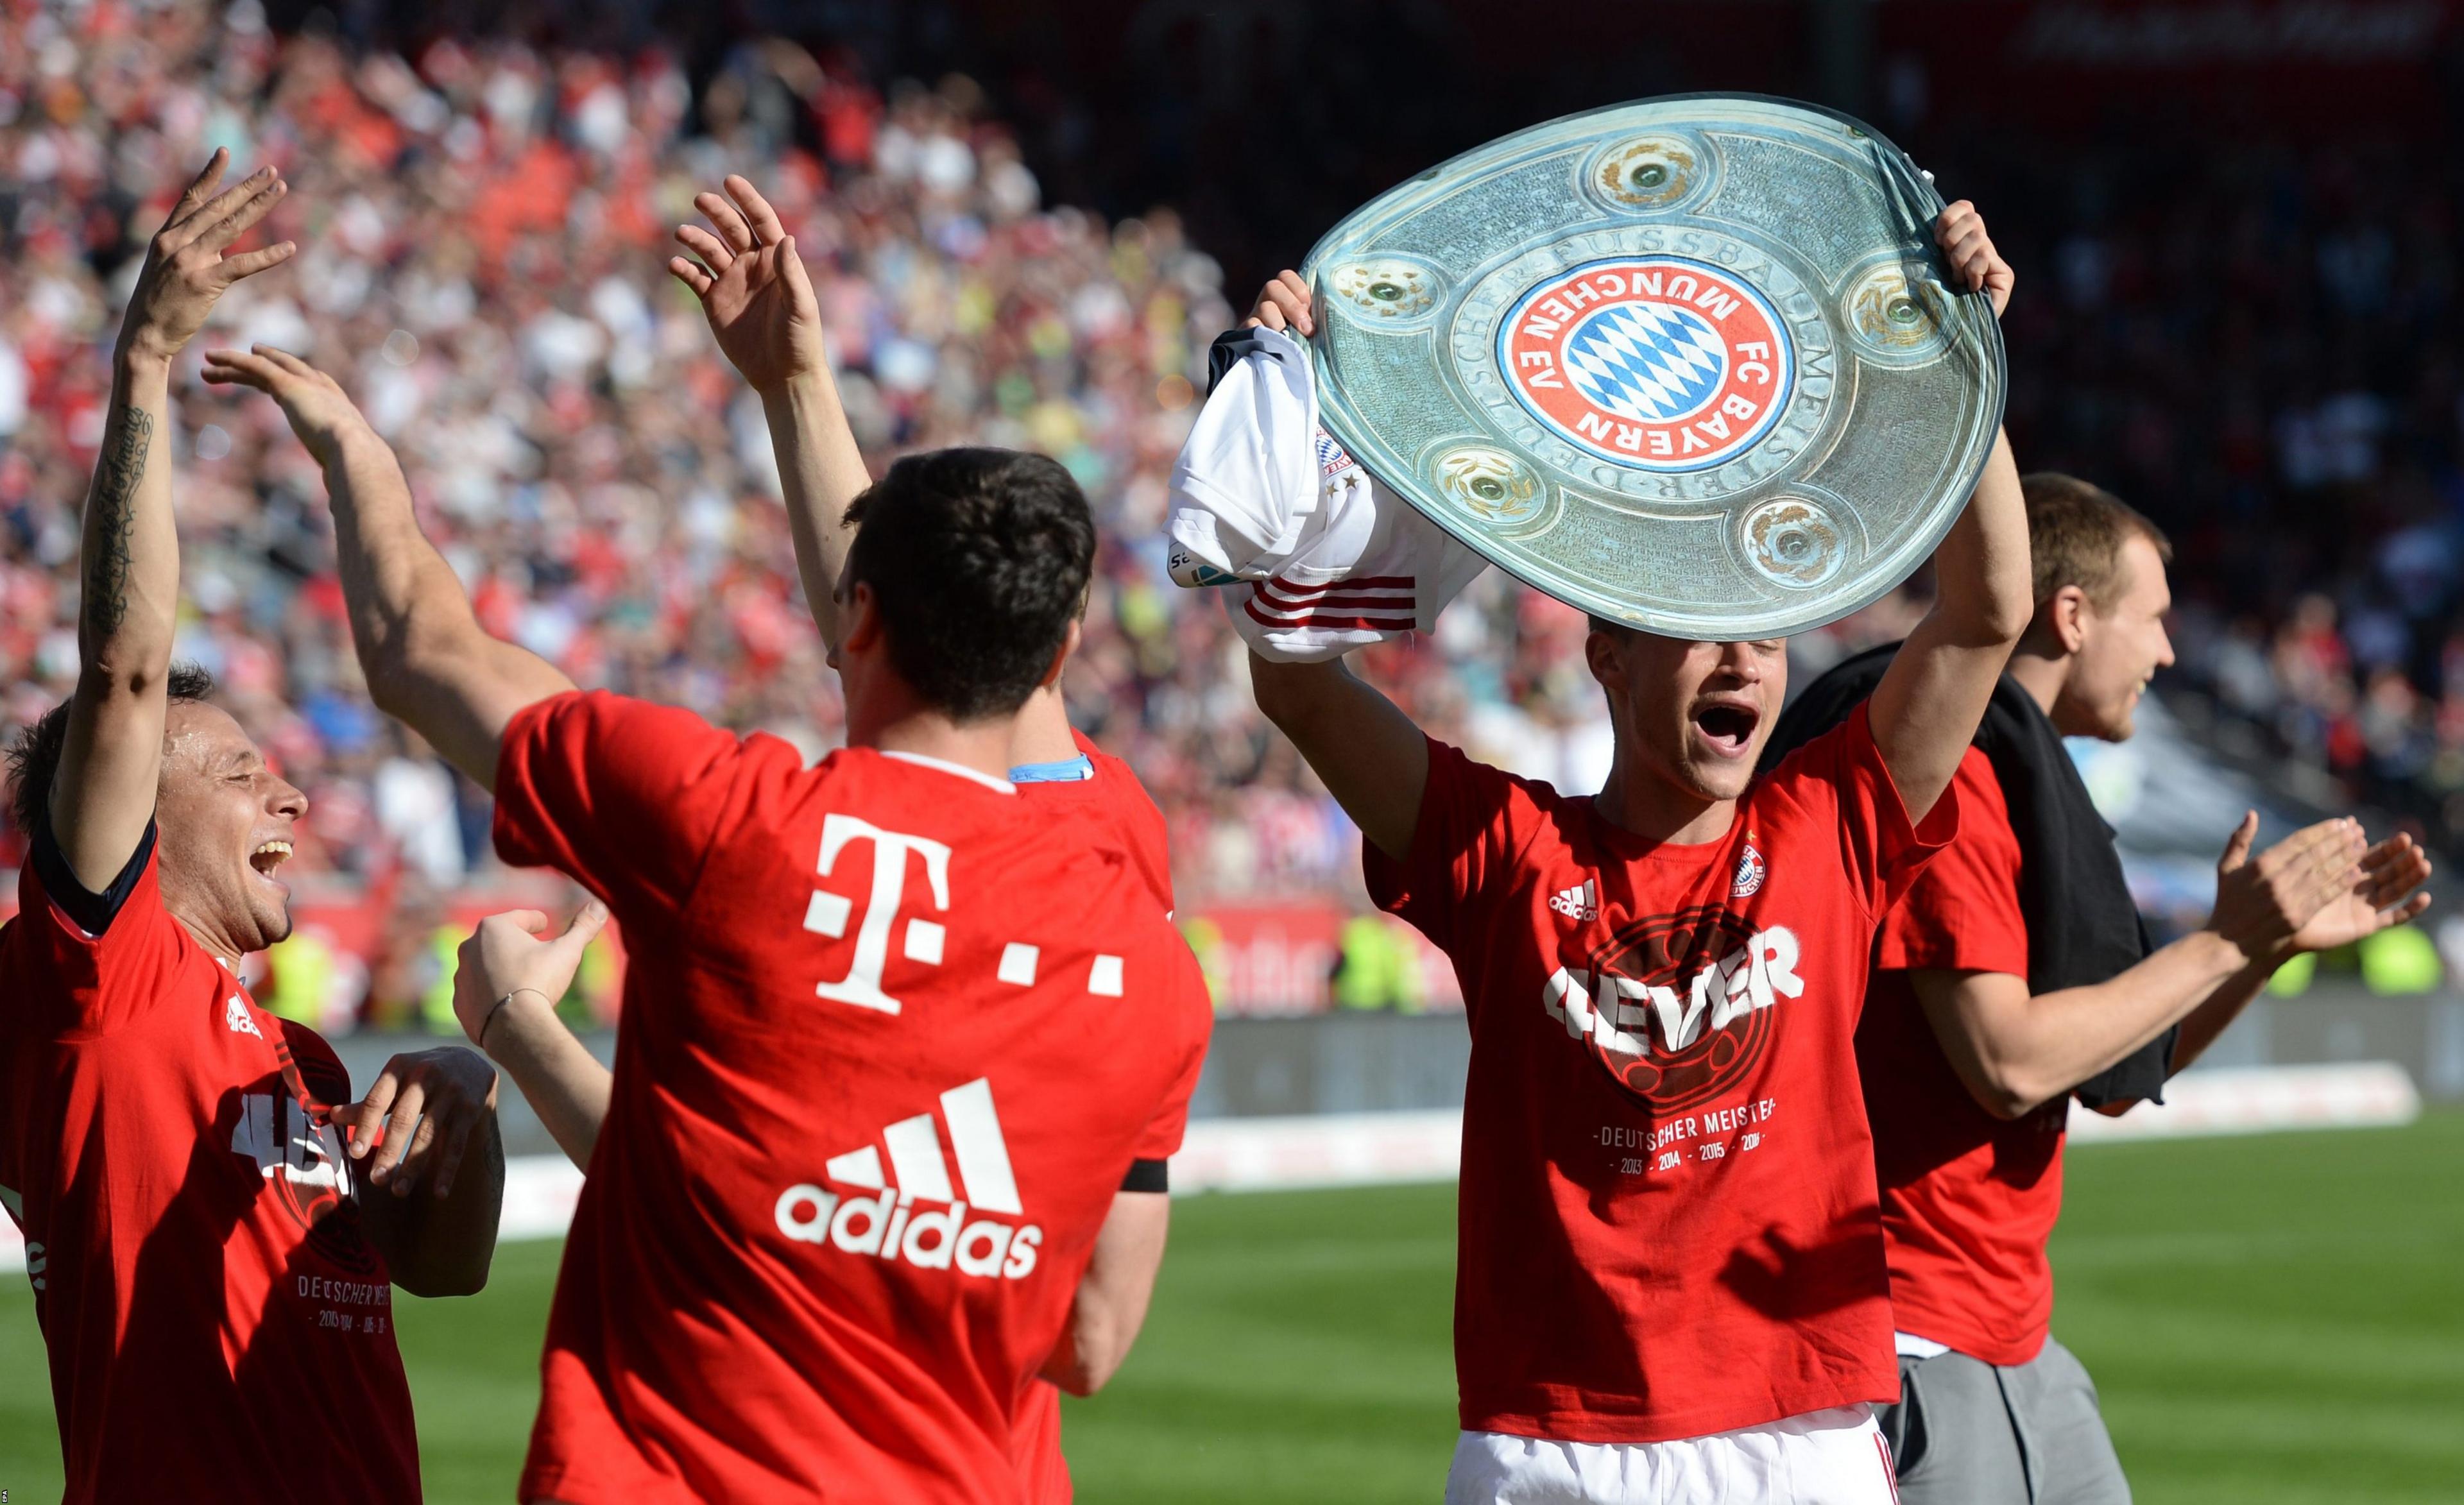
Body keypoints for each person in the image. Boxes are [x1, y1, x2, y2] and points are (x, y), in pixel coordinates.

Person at [206, 205, 1212, 1501]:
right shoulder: (1142, 945)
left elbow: (419, 652)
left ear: (858, 617)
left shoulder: (727, 821)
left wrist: (351, 446)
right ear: (1065, 647)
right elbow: (1089, 1339)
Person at [1238, 201, 2026, 1504]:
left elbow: (1989, 608)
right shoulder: (1505, 852)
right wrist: (1294, 416)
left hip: (1800, 1428)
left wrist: (1966, 352)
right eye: (1703, 630)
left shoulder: (1830, 825)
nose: (1746, 664)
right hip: (1552, 1441)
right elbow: (1302, 692)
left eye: (1768, 637)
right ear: (1607, 653)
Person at [1763, 475, 2433, 1504]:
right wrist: (2221, 943)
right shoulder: (1965, 776)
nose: (2169, 653)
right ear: (2071, 617)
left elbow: (2110, 1074)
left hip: (2007, 1337)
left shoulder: (2018, 778)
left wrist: (2260, 947)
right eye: (2155, 619)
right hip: (1915, 1348)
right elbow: (2009, 1060)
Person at [0, 153, 503, 1505]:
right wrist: (144, 368)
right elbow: (121, 667)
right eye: (235, 772)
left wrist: (467, 1098)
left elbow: (444, 1269)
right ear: (127, 827)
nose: (287, 796)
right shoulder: (97, 982)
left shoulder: (307, 1062)